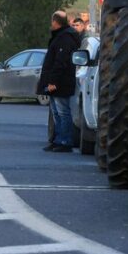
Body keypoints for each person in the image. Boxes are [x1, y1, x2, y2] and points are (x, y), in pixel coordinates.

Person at [37, 11, 80, 152]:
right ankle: (57, 139)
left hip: (61, 82)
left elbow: (60, 62)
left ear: (56, 22)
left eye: (52, 21)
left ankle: (65, 141)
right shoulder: (62, 36)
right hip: (57, 81)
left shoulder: (65, 38)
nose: (51, 24)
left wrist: (52, 81)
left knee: (62, 112)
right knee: (56, 112)